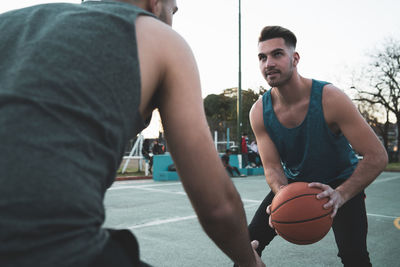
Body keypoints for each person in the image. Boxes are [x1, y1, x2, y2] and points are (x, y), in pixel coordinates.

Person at [0, 1, 265, 267]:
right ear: (155, 3)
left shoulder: (11, 23)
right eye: (173, 9)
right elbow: (218, 207)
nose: (174, 14)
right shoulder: (161, 40)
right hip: (49, 246)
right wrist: (249, 261)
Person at [246, 25, 388, 266]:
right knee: (247, 246)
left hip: (341, 182)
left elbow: (377, 155)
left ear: (295, 58)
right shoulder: (259, 111)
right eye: (262, 57)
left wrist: (341, 195)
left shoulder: (329, 98)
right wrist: (283, 194)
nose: (268, 63)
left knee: (355, 258)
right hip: (292, 184)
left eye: (277, 54)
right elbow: (271, 167)